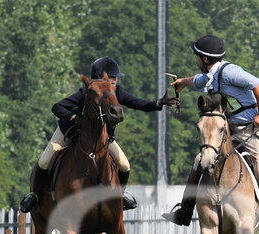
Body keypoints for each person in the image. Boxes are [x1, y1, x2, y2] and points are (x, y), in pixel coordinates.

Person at [20, 56, 178, 213]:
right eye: (112, 76)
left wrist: (159, 103)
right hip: (69, 132)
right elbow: (57, 107)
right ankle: (34, 196)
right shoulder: (87, 92)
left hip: (100, 138)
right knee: (44, 160)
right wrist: (74, 118)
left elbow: (138, 103)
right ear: (100, 77)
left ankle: (121, 196)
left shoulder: (117, 92)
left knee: (124, 164)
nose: (115, 80)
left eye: (116, 77)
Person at [162, 35, 259, 234]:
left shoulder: (230, 73)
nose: (196, 59)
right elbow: (196, 81)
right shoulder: (210, 76)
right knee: (200, 160)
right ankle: (185, 211)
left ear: (205, 59)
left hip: (252, 127)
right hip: (228, 129)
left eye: (197, 56)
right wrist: (183, 83)